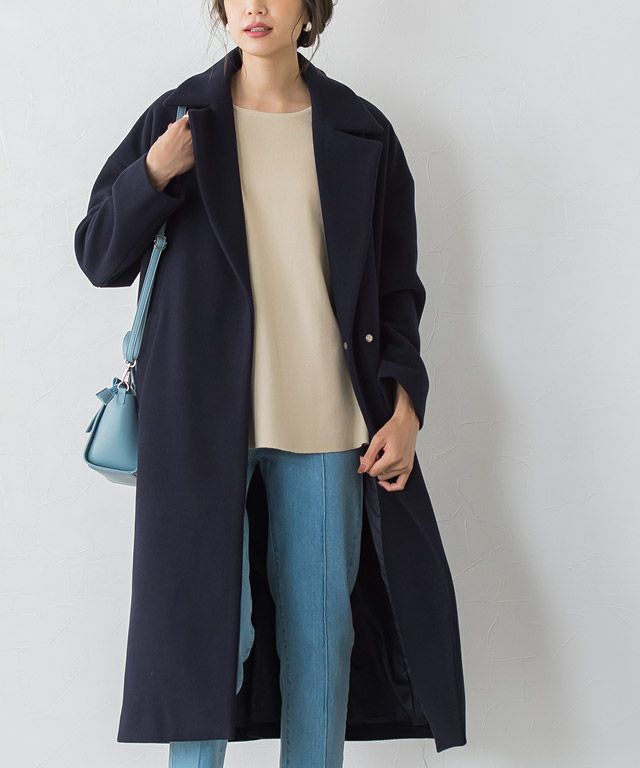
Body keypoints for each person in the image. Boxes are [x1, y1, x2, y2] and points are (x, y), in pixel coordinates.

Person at [75, 0, 468, 764]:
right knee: (203, 641)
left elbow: (397, 290)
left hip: (327, 420)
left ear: (311, 9)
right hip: (202, 424)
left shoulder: (362, 131)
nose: (254, 6)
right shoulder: (179, 119)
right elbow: (99, 255)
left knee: (321, 639)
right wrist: (154, 175)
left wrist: (406, 407)